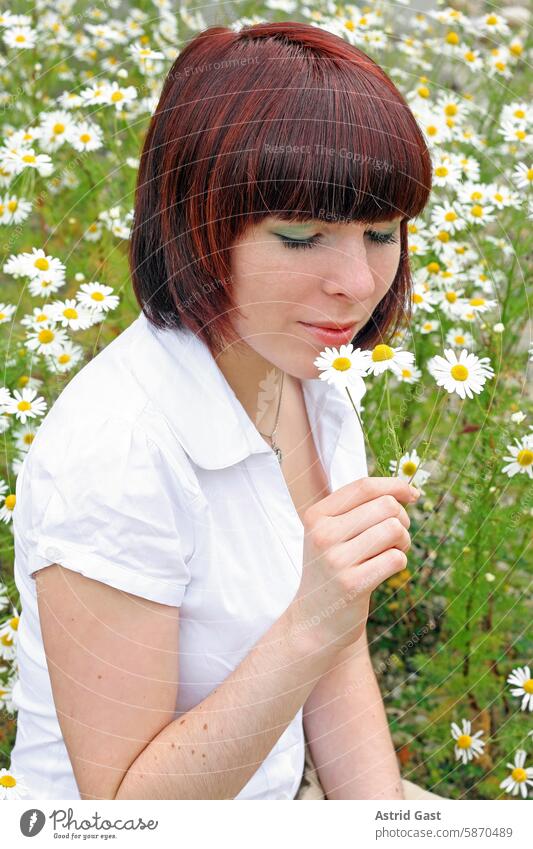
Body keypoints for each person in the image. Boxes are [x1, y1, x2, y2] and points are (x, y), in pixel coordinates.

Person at [9, 20, 441, 800]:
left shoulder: (315, 385)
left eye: (381, 233)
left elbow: (336, 660)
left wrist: (383, 825)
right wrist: (310, 621)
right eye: (302, 236)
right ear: (197, 228)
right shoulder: (117, 450)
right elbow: (124, 815)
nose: (356, 279)